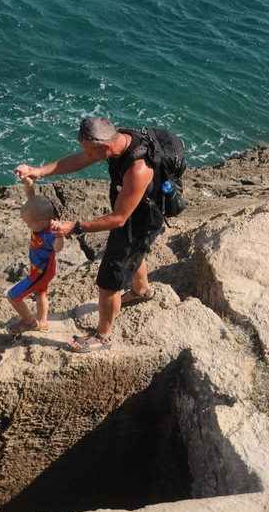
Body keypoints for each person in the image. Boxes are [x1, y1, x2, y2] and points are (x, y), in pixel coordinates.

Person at [14, 117, 167, 352]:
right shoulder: (117, 138)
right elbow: (81, 158)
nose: (88, 155)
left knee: (109, 278)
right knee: (136, 253)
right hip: (133, 207)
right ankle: (142, 291)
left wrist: (74, 227)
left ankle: (103, 335)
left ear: (105, 146)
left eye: (91, 151)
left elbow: (118, 219)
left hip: (140, 218)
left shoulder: (139, 168)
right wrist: (38, 172)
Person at [5, 175, 65, 335]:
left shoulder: (49, 234)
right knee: (41, 294)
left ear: (42, 224)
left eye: (28, 224)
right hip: (43, 271)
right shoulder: (41, 218)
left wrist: (60, 235)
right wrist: (29, 183)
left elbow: (58, 249)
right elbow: (32, 198)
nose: (27, 226)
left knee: (13, 297)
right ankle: (43, 323)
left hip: (40, 273)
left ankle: (29, 322)